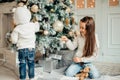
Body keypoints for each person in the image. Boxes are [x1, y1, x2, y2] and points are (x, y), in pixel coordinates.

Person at [11, 5, 40, 80]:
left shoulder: (17, 28)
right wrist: (36, 22)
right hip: (31, 48)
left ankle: (22, 78)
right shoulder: (32, 25)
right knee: (31, 63)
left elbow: (14, 41)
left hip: (21, 49)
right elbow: (37, 28)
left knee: (22, 64)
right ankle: (31, 77)